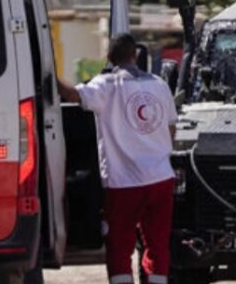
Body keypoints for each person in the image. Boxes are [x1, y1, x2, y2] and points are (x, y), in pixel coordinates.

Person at [58, 33, 177, 284]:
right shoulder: (159, 84)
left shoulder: (106, 85)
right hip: (161, 179)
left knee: (119, 246)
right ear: (135, 55)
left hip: (124, 184)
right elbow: (171, 130)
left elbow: (71, 96)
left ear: (109, 58)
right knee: (157, 244)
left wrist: (47, 72)